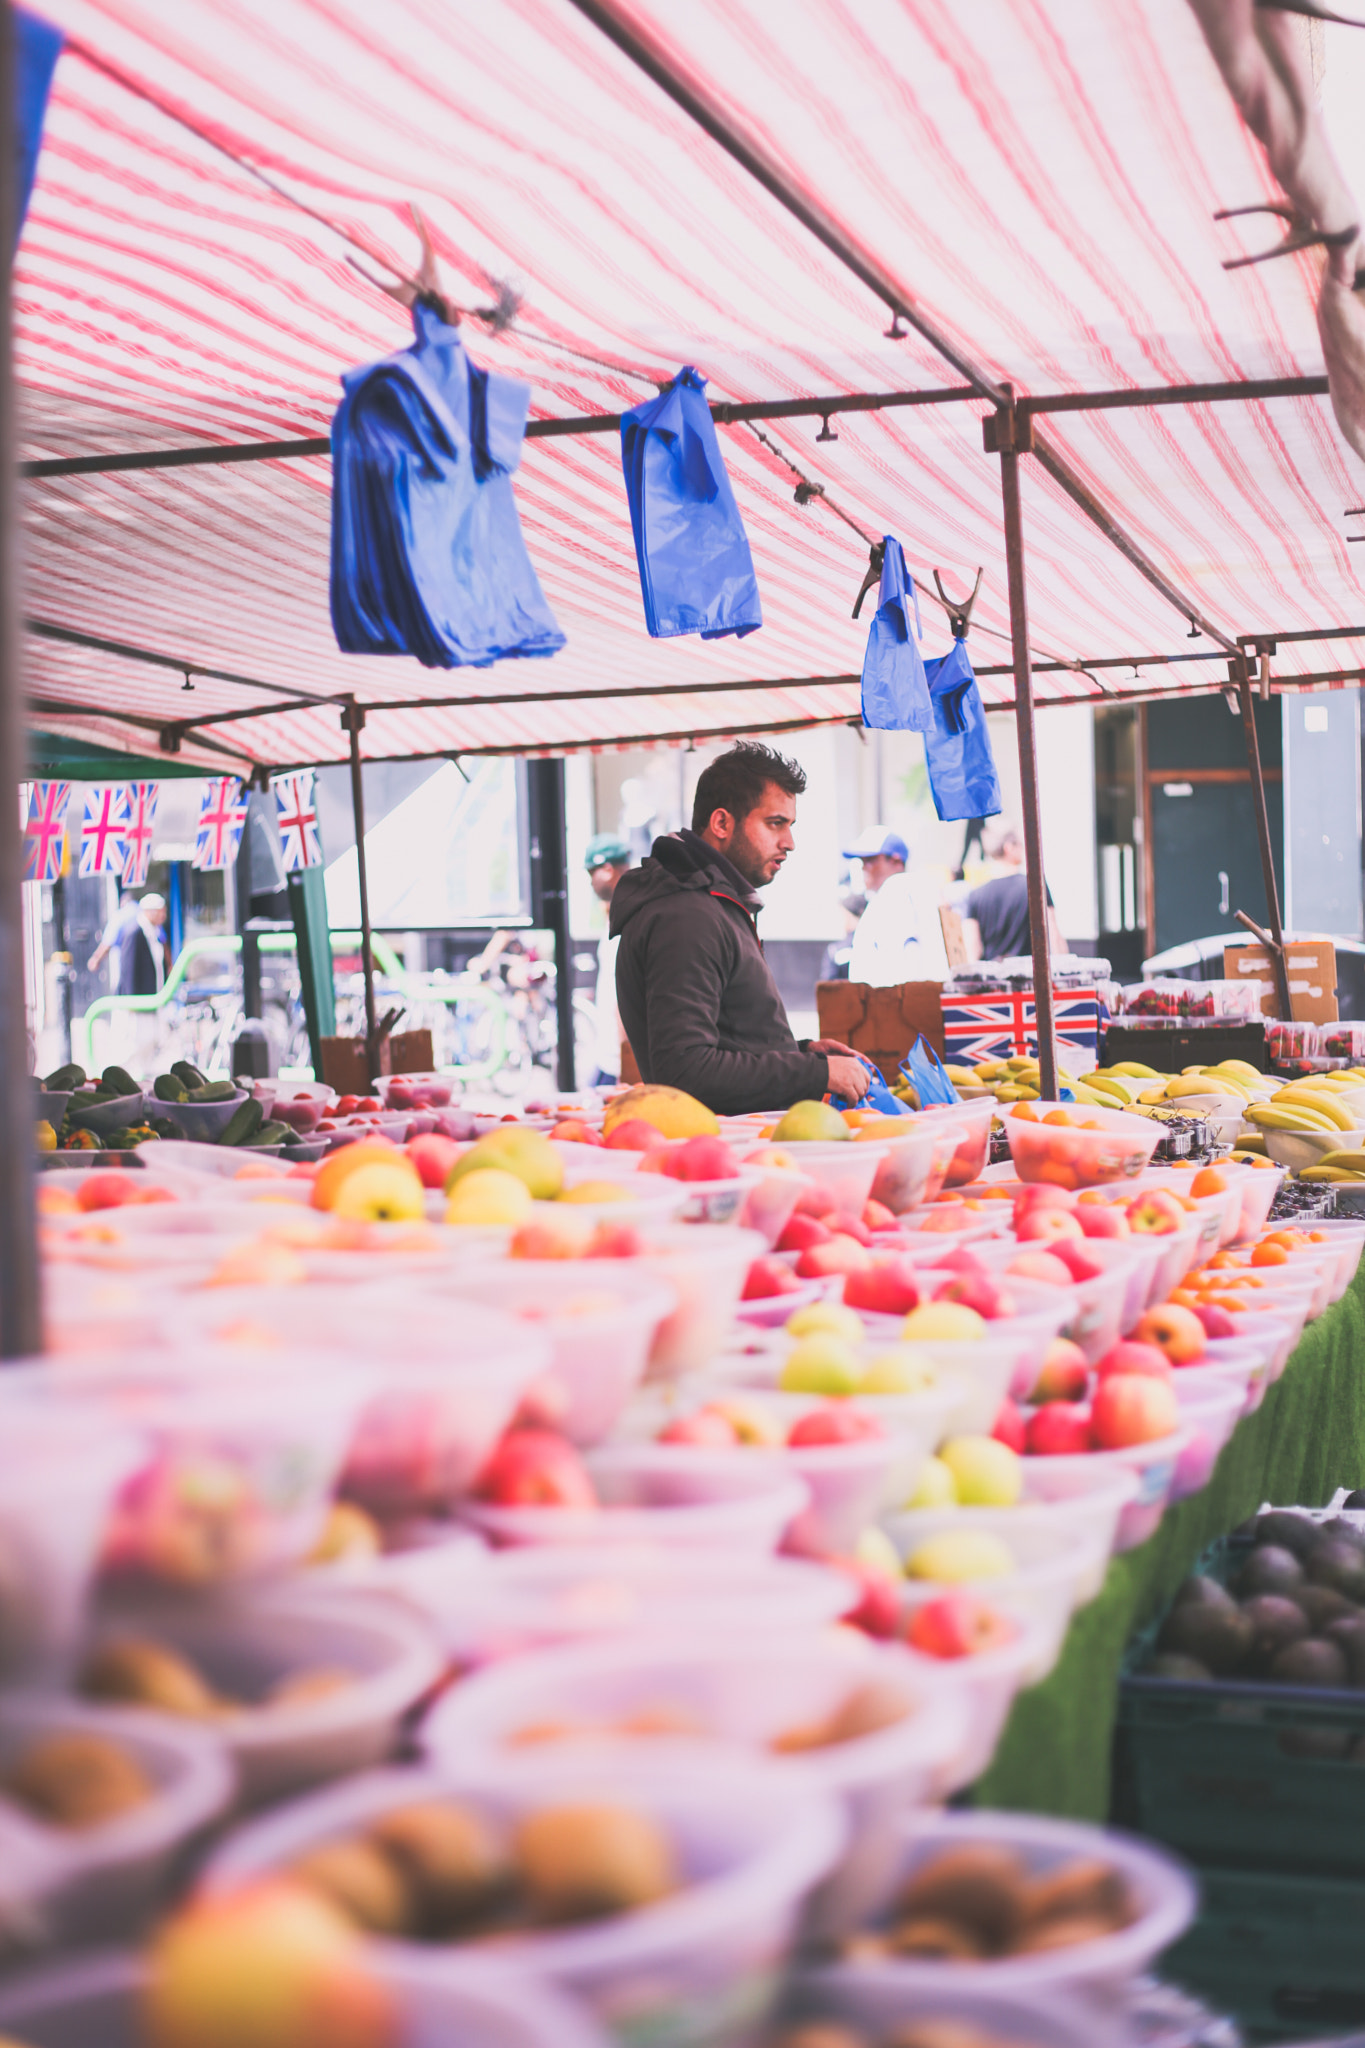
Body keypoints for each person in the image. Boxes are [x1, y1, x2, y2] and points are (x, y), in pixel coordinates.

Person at [611, 741, 871, 1113]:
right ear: (721, 823)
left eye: (790, 825)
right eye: (775, 823)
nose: (790, 843)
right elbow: (686, 1071)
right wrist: (812, 1074)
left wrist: (803, 1056)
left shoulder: (711, 903)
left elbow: (725, 1043)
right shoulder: (686, 916)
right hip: (721, 1153)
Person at [962, 825, 1064, 963]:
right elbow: (1053, 933)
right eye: (1020, 845)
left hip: (994, 980)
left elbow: (973, 949)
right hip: (1028, 978)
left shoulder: (975, 895)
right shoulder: (1035, 885)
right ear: (1008, 847)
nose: (1023, 850)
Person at [843, 826, 922, 987]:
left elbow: (907, 963)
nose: (864, 867)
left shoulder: (898, 891)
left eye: (871, 860)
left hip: (890, 1004)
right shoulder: (889, 895)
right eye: (862, 861)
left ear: (896, 861)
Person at [583, 831, 632, 1086]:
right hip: (609, 1058)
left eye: (593, 872)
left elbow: (624, 993)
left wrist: (628, 1062)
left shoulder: (629, 919)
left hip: (617, 1062)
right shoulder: (616, 913)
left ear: (609, 869)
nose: (591, 882)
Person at [117, 892, 169, 997]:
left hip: (154, 998)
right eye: (161, 912)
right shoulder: (134, 933)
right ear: (150, 912)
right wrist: (132, 1001)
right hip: (140, 1004)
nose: (164, 916)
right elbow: (129, 969)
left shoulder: (156, 932)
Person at [88, 890, 138, 981]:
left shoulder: (120, 915)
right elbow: (162, 940)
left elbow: (107, 943)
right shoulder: (143, 913)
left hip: (126, 965)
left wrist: (96, 959)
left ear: (123, 903)